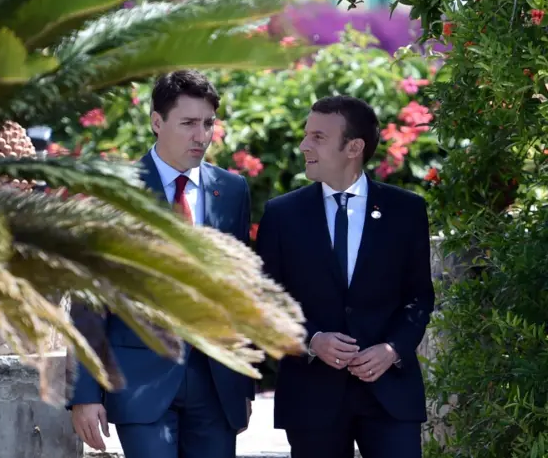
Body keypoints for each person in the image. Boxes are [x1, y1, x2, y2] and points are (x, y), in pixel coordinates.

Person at [67, 70, 254, 458]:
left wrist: (243, 384)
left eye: (208, 124)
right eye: (188, 123)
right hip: (140, 382)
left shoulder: (232, 191)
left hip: (217, 385)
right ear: (156, 122)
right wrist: (85, 393)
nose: (201, 135)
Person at [256, 95, 435, 458]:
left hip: (389, 395)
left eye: (318, 137)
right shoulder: (281, 214)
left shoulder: (407, 210)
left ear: (354, 147)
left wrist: (392, 349)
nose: (304, 145)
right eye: (306, 135)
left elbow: (419, 297)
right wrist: (311, 340)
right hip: (311, 398)